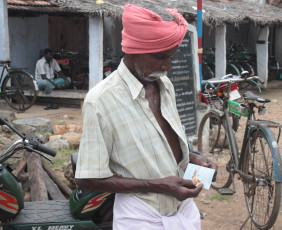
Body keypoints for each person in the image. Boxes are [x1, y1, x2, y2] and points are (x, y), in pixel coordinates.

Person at [75, 5, 217, 230]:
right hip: (141, 216)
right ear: (134, 51)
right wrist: (158, 186)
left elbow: (163, 140)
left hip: (183, 210)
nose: (168, 66)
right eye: (161, 57)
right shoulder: (100, 101)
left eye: (171, 57)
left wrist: (192, 158)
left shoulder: (165, 86)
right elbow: (87, 179)